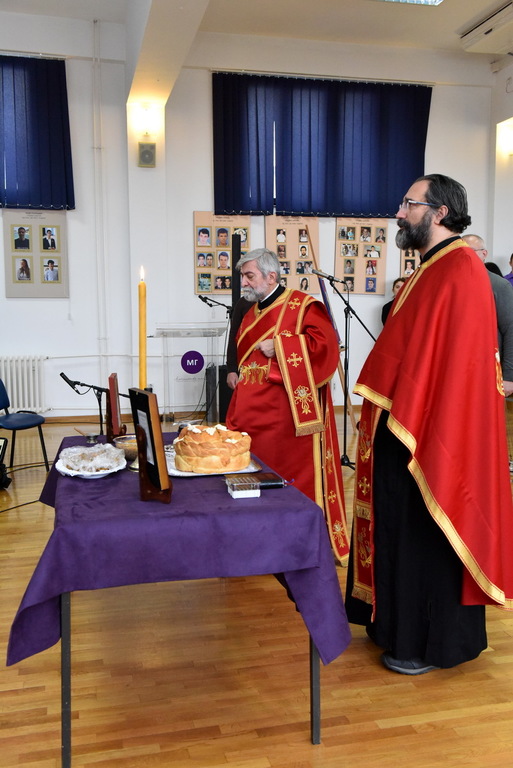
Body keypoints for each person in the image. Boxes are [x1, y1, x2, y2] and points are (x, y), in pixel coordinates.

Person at [345, 173, 513, 675]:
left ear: (440, 212)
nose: (400, 214)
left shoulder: (459, 268)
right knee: (400, 527)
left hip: (432, 430)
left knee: (422, 531)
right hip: (407, 422)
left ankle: (423, 642)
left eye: (409, 204)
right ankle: (394, 627)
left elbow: (453, 368)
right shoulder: (433, 267)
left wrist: (412, 415)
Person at [226, 248, 349, 562]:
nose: (244, 283)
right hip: (249, 413)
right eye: (243, 276)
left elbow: (326, 348)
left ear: (271, 276)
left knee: (291, 477)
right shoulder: (249, 311)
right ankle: (255, 538)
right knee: (250, 474)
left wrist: (280, 345)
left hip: (287, 416)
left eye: (249, 276)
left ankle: (297, 542)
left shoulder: (303, 306)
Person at [463, 234, 513, 396]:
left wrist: (509, 376)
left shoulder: (499, 285)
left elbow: (510, 329)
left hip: (488, 369)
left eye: (470, 251)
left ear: (484, 254)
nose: (464, 256)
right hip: (458, 367)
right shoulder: (450, 284)